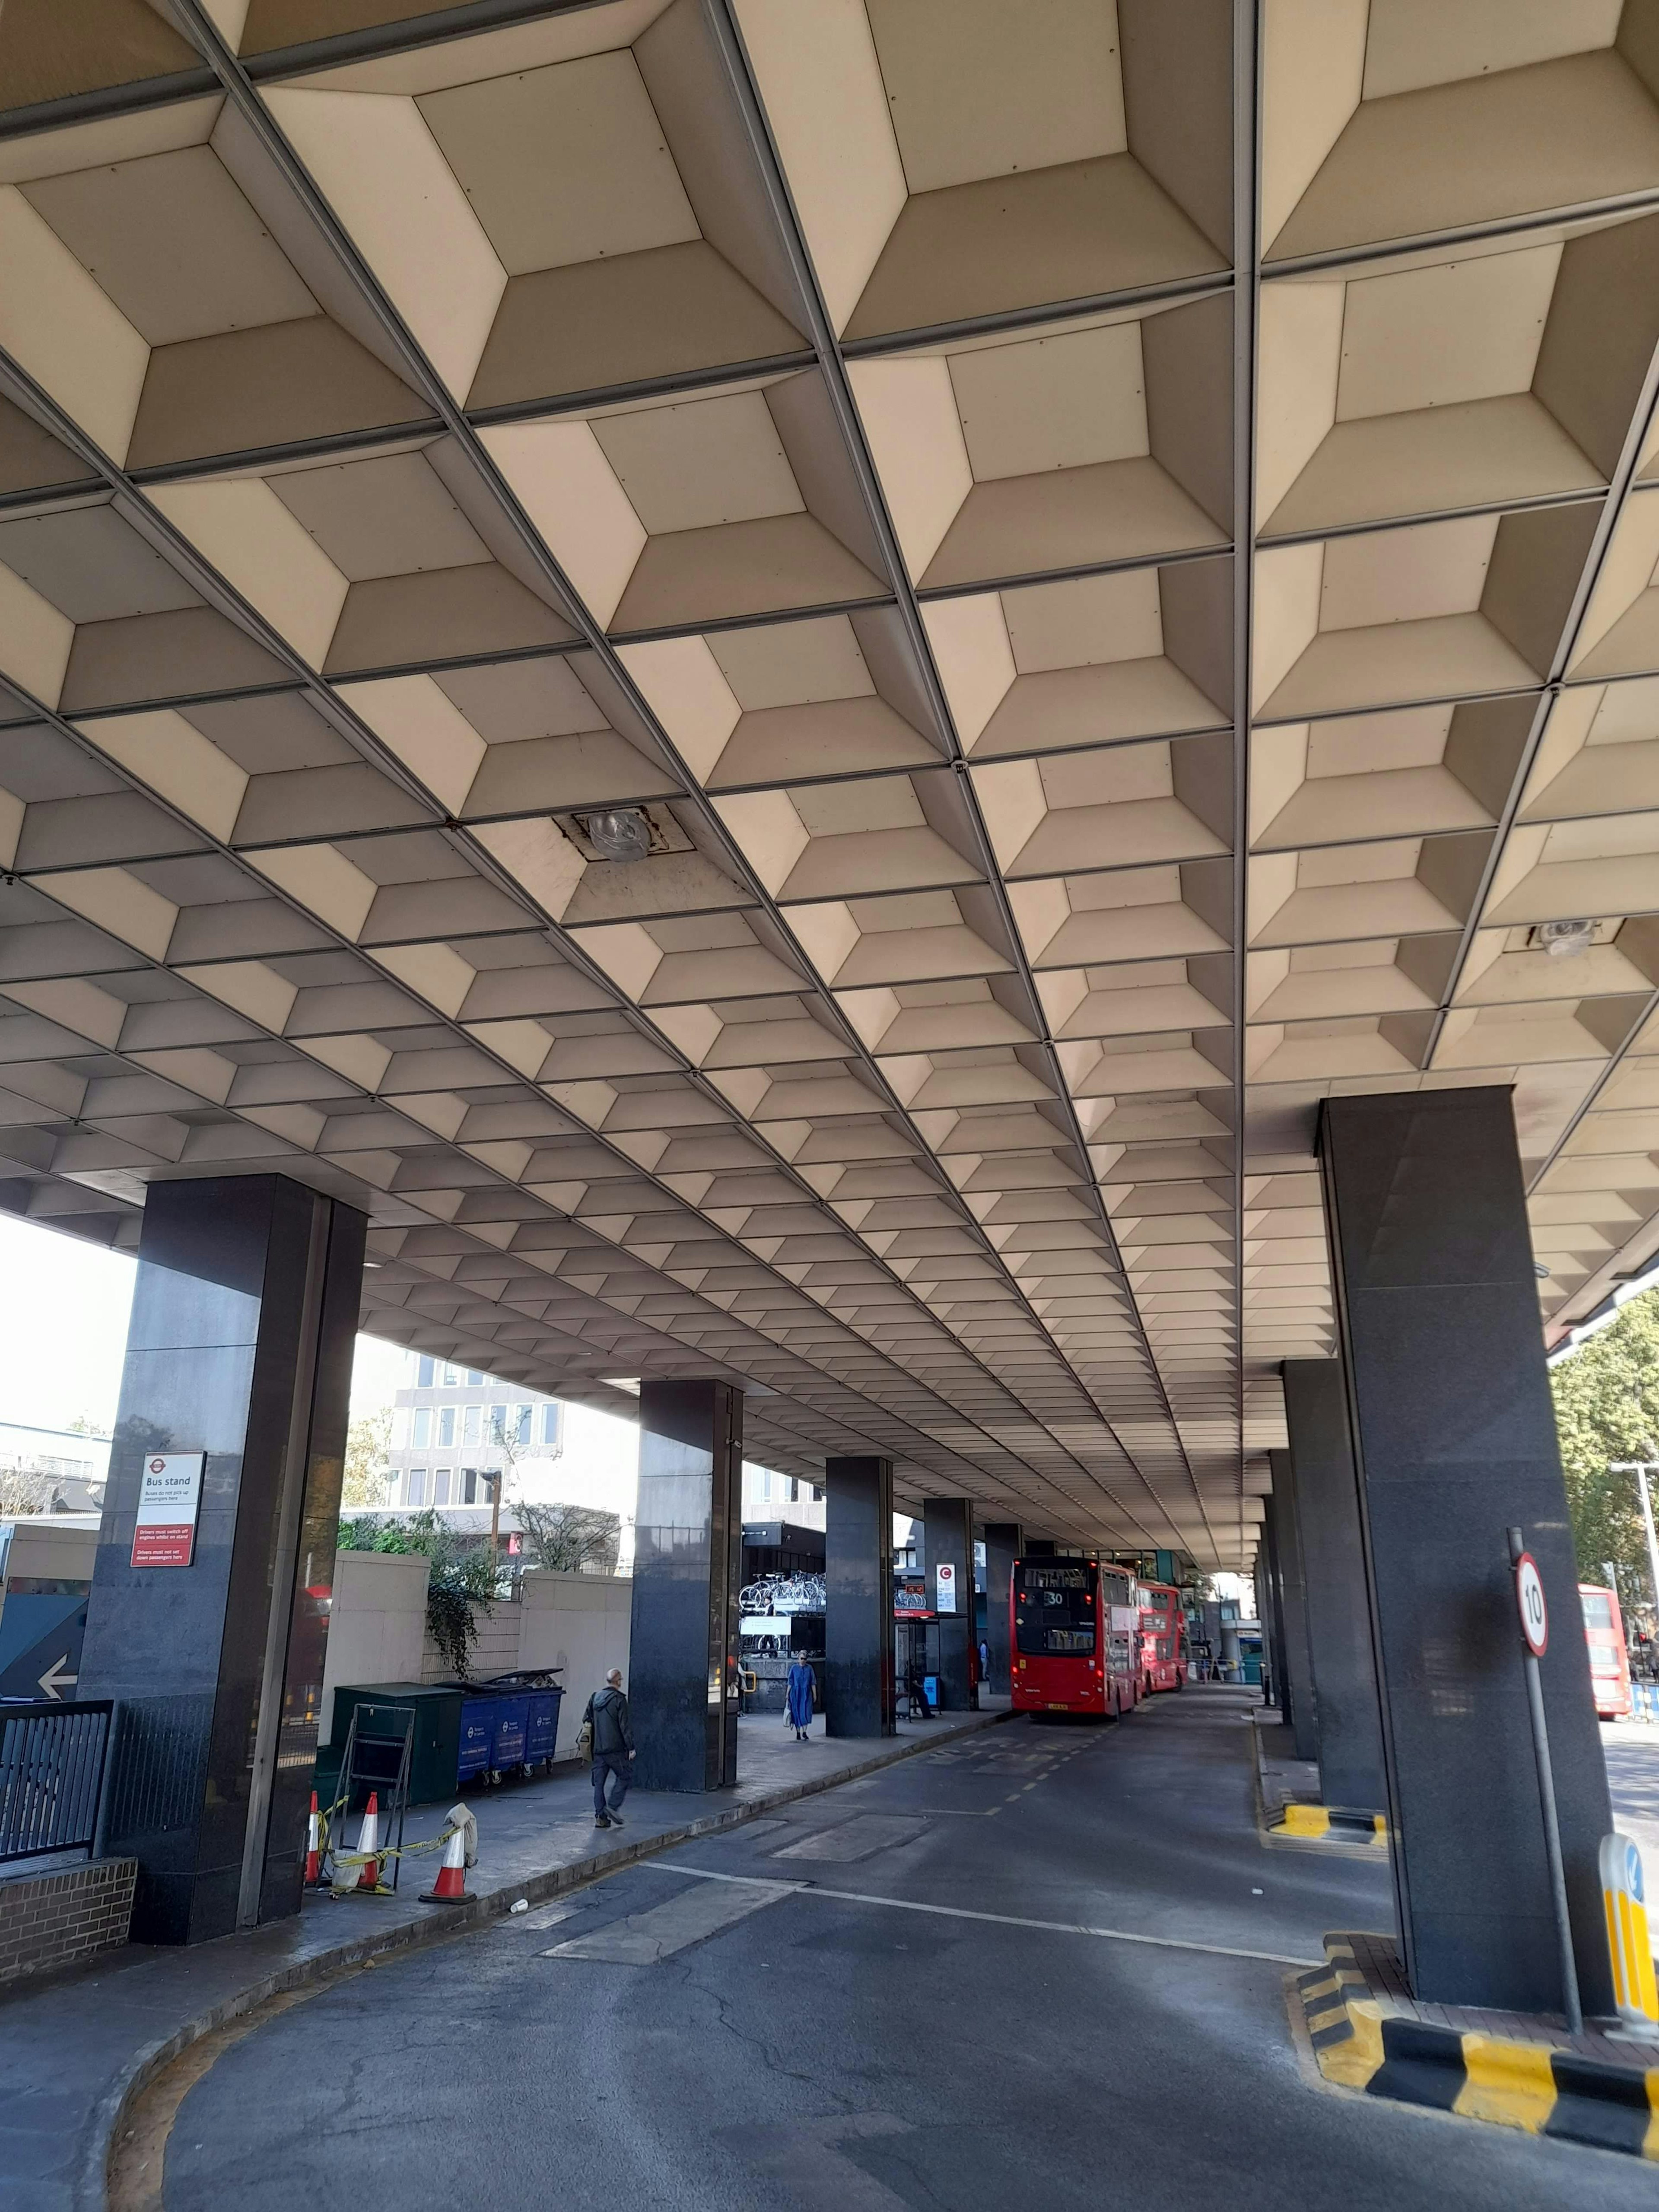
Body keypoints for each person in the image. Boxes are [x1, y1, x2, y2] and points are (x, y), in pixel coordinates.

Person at [583, 1667, 634, 1828]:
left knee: (599, 1785)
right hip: (616, 1750)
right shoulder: (619, 1700)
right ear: (618, 1681)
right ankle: (612, 1806)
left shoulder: (595, 1697)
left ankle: (601, 1818)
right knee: (625, 1776)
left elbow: (586, 1719)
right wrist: (631, 1748)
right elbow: (625, 1727)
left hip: (598, 1750)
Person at [785, 1654, 816, 1741]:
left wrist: (815, 1694)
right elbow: (790, 1682)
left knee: (806, 1711)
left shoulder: (809, 1669)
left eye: (805, 1659)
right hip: (796, 1693)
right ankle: (798, 1732)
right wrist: (788, 1694)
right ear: (798, 1659)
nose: (803, 1661)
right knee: (796, 1712)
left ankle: (804, 1732)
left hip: (806, 1693)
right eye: (801, 1659)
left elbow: (813, 1682)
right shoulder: (794, 1668)